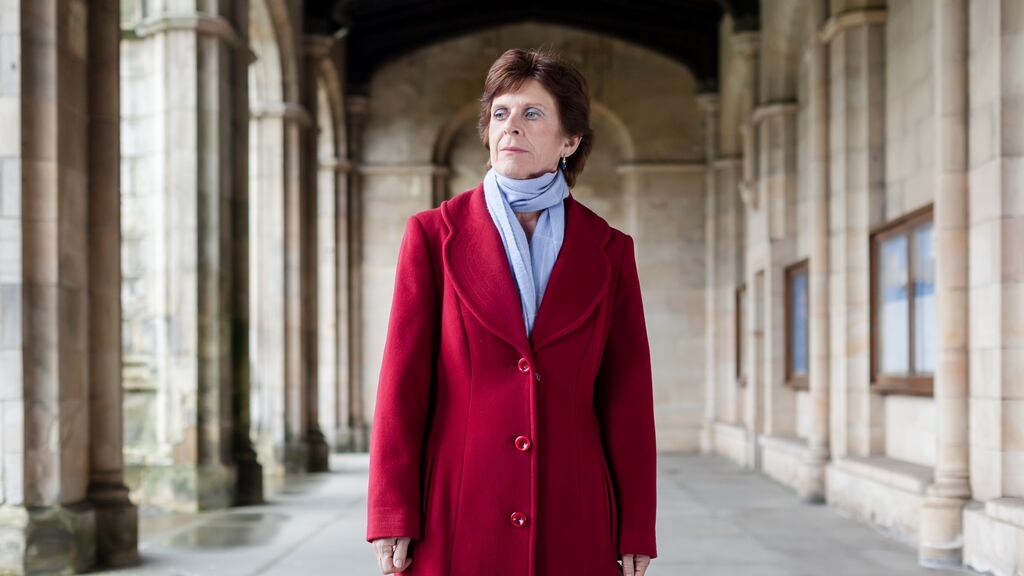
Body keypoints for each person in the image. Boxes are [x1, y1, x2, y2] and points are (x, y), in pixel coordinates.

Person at [366, 48, 658, 576]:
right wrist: (391, 511)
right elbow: (402, 384)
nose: (511, 127)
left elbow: (628, 396)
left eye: (532, 114)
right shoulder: (432, 236)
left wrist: (636, 522)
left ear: (570, 141)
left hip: (575, 507)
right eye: (501, 113)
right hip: (458, 504)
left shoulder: (611, 250)